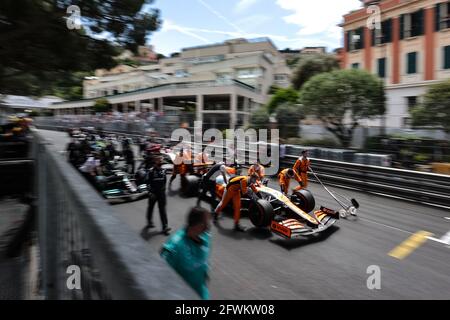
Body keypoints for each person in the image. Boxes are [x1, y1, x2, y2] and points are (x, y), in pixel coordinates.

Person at [160, 207, 211, 300]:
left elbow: (204, 259)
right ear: (197, 225)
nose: (208, 227)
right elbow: (162, 277)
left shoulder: (205, 237)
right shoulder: (175, 246)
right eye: (205, 223)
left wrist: (204, 272)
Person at [145, 156, 171, 235]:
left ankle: (165, 227)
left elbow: (164, 182)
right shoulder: (150, 172)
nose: (160, 164)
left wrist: (163, 191)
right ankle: (149, 221)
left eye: (161, 162)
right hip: (153, 193)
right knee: (151, 207)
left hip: (161, 194)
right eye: (158, 162)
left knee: (162, 210)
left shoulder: (163, 171)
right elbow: (147, 183)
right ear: (154, 163)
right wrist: (150, 193)